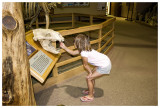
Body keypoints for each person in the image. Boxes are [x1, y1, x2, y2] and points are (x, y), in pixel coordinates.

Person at [60, 33, 111, 102]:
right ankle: (91, 90)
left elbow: (85, 65)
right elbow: (73, 53)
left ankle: (90, 96)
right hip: (104, 61)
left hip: (105, 65)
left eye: (75, 42)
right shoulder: (84, 48)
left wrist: (90, 73)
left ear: (79, 44)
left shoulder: (84, 53)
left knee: (89, 78)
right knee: (91, 77)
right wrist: (64, 47)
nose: (74, 43)